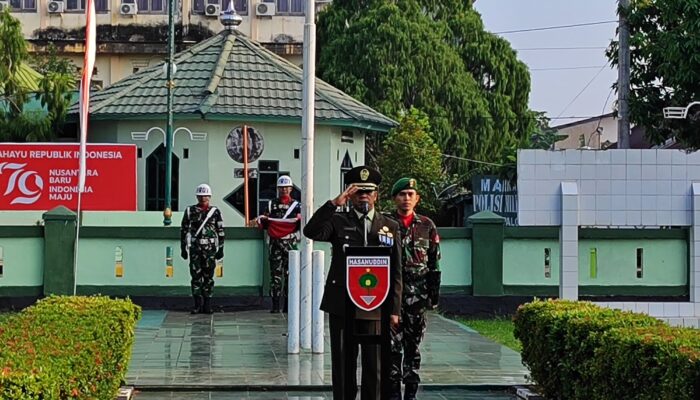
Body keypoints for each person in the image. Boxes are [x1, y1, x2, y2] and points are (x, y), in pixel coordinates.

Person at [304, 166, 403, 400]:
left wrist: (395, 309)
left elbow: (396, 271)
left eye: (368, 192)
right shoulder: (338, 221)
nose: (364, 197)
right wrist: (334, 204)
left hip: (375, 304)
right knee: (343, 362)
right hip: (342, 303)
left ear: (376, 195)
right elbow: (311, 231)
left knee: (374, 364)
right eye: (358, 192)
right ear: (350, 195)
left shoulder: (389, 225)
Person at [385, 178, 441, 400]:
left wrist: (432, 298)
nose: (406, 198)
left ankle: (410, 393)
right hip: (390, 296)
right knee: (390, 348)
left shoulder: (427, 225)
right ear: (394, 198)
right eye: (402, 194)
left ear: (417, 199)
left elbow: (434, 263)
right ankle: (392, 394)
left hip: (417, 297)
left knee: (412, 347)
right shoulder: (385, 223)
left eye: (410, 194)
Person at [254, 175, 301, 313]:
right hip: (275, 244)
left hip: (290, 243)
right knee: (275, 275)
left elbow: (301, 225)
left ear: (291, 189)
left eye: (286, 187)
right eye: (281, 187)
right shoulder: (271, 204)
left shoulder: (297, 206)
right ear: (277, 189)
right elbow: (265, 222)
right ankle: (275, 305)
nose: (284, 190)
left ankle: (288, 305)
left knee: (291, 274)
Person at [180, 183, 225, 314]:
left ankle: (207, 305)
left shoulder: (215, 212)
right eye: (200, 196)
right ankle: (197, 304)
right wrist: (183, 248)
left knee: (208, 277)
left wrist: (221, 248)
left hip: (210, 249)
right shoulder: (190, 211)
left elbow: (220, 231)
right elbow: (183, 230)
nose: (202, 198)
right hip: (195, 248)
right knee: (195, 276)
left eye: (205, 196)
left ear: (209, 196)